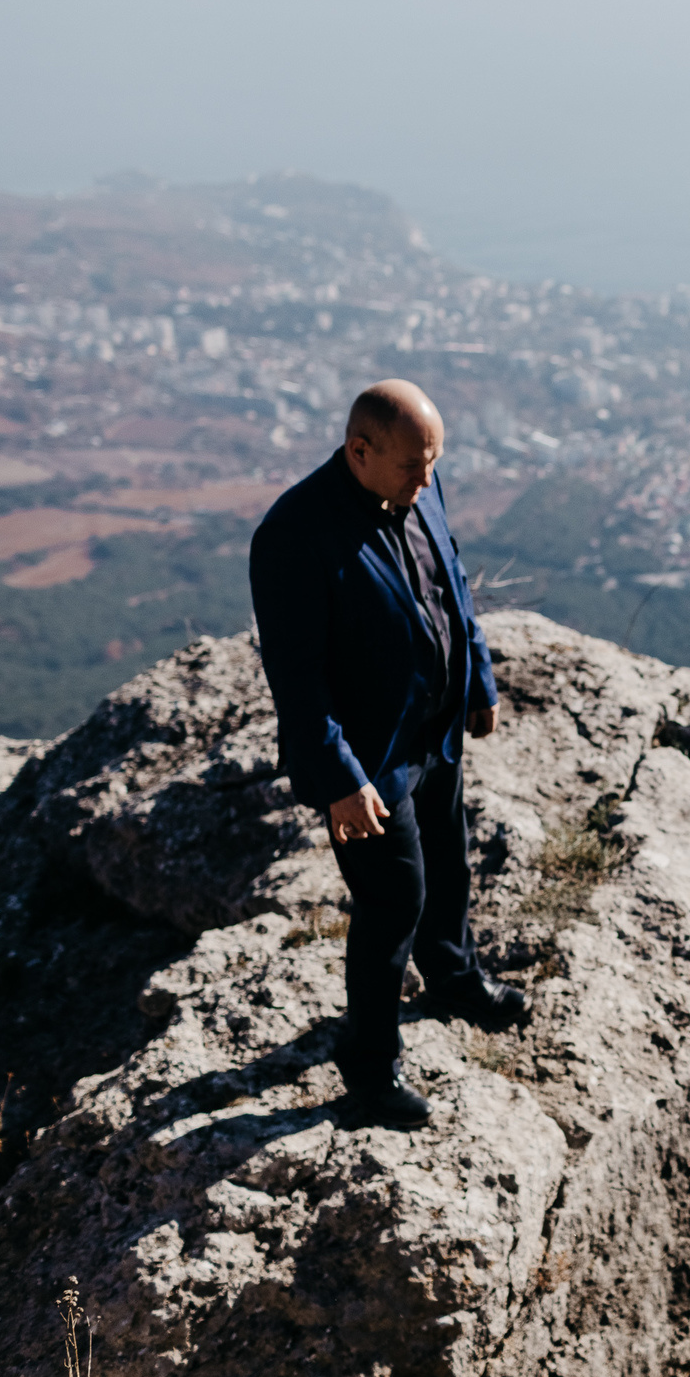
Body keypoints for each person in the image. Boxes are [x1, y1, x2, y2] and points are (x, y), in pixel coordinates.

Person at [250, 379, 529, 1129]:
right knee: (392, 898)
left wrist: (477, 677)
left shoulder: (415, 483)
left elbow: (452, 584)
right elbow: (297, 679)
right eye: (413, 466)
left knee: (450, 857)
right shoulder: (295, 535)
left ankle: (453, 976)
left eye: (433, 463)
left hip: (432, 728)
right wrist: (341, 780)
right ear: (360, 451)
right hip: (368, 758)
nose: (427, 480)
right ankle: (370, 1072)